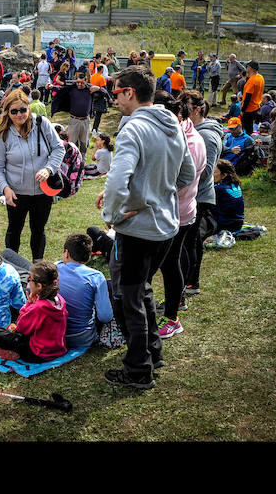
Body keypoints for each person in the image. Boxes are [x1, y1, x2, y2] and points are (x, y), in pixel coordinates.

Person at [96, 66, 196, 390]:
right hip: (167, 226)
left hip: (139, 230)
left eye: (116, 92)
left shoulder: (133, 129)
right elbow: (186, 175)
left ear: (129, 92)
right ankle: (154, 351)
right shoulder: (174, 125)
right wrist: (157, 194)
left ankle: (139, 370)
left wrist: (112, 215)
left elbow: (117, 179)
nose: (114, 99)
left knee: (131, 299)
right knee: (142, 290)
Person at [150, 91, 206, 340]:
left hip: (177, 214)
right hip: (172, 211)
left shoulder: (190, 143)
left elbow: (180, 183)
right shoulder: (179, 135)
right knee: (167, 263)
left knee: (166, 264)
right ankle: (171, 311)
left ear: (175, 115)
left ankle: (172, 316)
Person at [0, 88, 65, 261]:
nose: (19, 115)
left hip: (42, 192)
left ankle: (37, 266)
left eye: (23, 110)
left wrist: (48, 169)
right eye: (14, 111)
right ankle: (12, 266)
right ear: (7, 112)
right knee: (14, 230)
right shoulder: (2, 134)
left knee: (38, 230)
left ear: (29, 108)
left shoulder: (42, 123)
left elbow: (58, 148)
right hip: (16, 193)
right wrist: (5, 189)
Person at [180, 90, 224, 297]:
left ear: (197, 110)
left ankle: (191, 282)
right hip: (192, 195)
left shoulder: (206, 135)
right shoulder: (194, 131)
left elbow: (207, 171)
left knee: (192, 242)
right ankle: (188, 281)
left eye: (186, 107)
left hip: (200, 197)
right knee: (189, 242)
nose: (181, 111)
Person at [0, 260, 68, 363]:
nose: (28, 281)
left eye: (30, 279)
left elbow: (21, 328)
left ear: (39, 286)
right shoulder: (60, 300)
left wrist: (29, 304)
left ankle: (11, 353)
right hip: (57, 349)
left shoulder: (38, 308)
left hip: (36, 354)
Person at [54, 232, 114, 349]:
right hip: (82, 338)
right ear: (89, 255)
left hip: (54, 334)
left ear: (66, 253)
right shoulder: (96, 277)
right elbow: (105, 317)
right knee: (110, 285)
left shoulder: (55, 268)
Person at [52, 71, 99, 155]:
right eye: (78, 82)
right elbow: (61, 89)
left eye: (81, 83)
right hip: (74, 120)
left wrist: (98, 88)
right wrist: (52, 87)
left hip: (85, 121)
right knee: (72, 142)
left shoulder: (90, 89)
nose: (79, 84)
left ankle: (82, 161)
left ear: (86, 81)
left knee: (84, 143)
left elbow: (103, 91)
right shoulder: (72, 89)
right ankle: (71, 160)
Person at [212, 159, 245, 233]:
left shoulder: (219, 189)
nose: (211, 174)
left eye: (214, 172)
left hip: (225, 226)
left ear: (224, 175)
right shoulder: (236, 185)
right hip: (238, 224)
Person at [239, 60, 265, 135]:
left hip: (249, 109)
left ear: (250, 68)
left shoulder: (252, 81)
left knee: (247, 131)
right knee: (253, 130)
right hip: (257, 107)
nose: (246, 68)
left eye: (247, 67)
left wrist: (243, 110)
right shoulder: (260, 77)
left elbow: (248, 97)